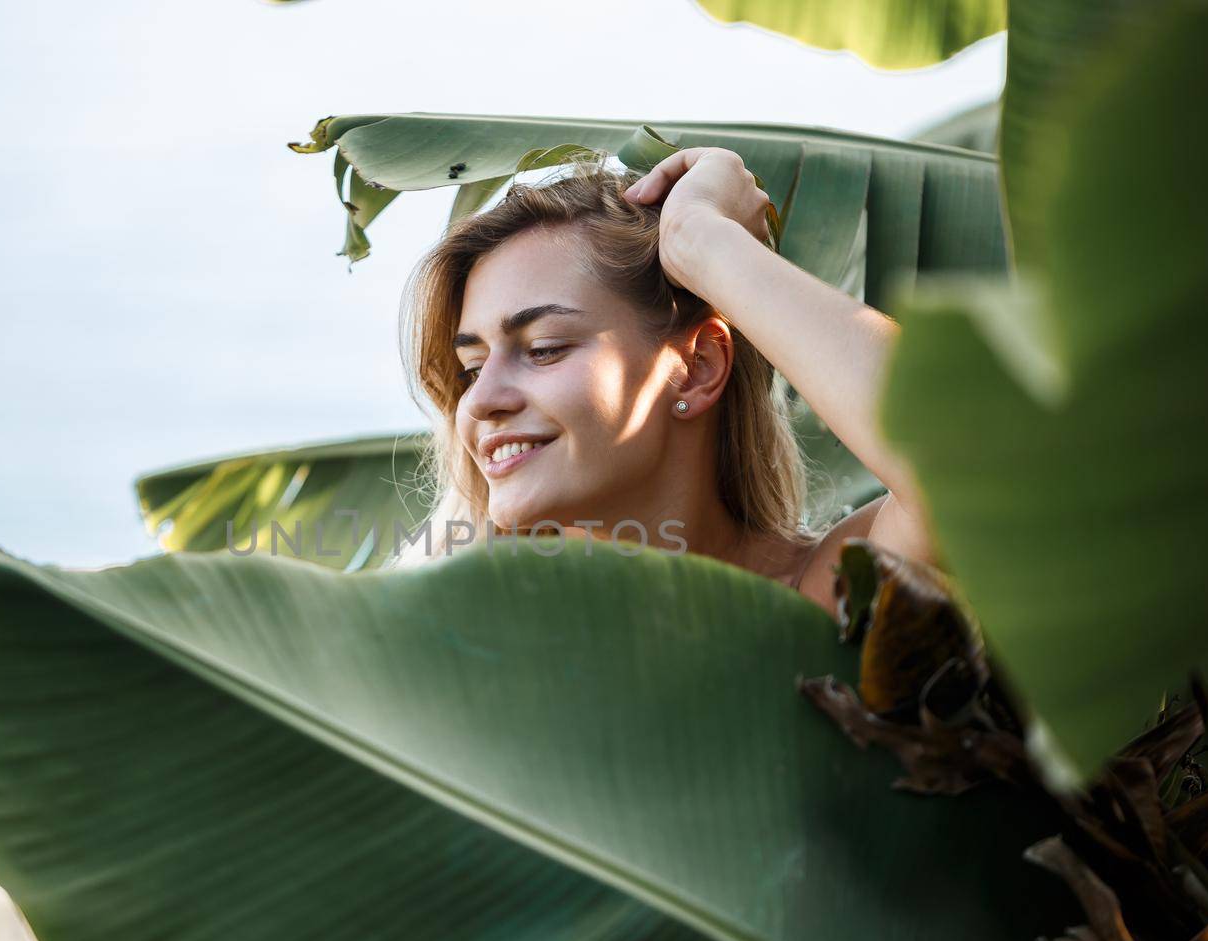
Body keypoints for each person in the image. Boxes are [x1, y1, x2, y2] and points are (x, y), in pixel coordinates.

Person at [384, 147, 934, 620]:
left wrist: (702, 240)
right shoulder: (454, 647)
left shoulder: (832, 595)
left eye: (543, 349)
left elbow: (969, 466)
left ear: (696, 368)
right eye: (472, 370)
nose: (479, 401)